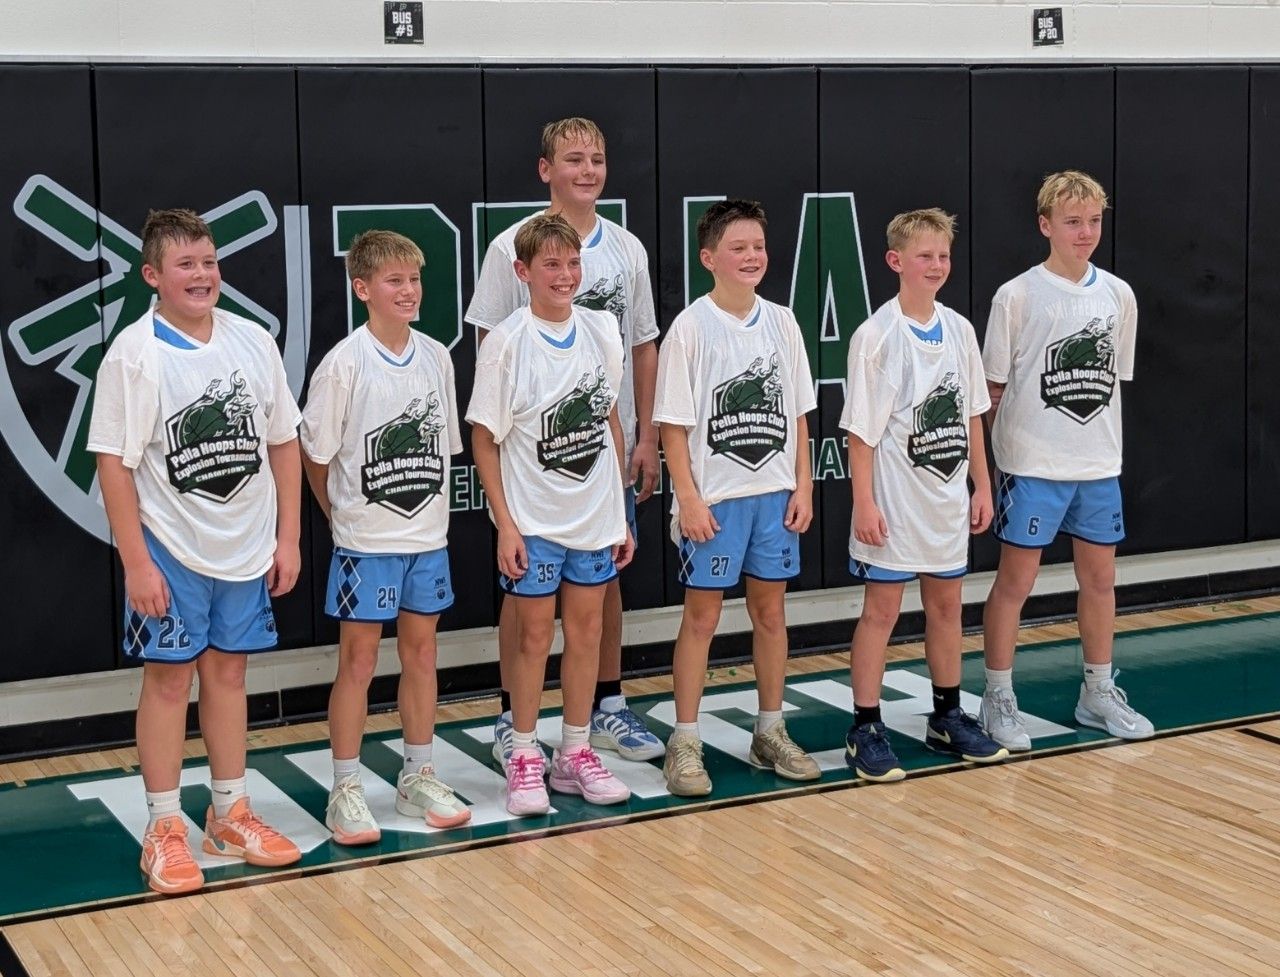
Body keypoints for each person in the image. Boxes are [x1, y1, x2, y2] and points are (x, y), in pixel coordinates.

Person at [89, 208, 303, 894]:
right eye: (185, 265)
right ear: (153, 275)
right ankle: (162, 824)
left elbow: (283, 442)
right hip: (172, 548)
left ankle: (229, 809)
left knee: (231, 675)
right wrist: (136, 561)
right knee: (169, 679)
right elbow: (113, 463)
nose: (202, 275)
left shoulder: (251, 341)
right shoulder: (134, 351)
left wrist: (289, 534)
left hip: (244, 544)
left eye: (209, 262)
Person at [466, 117, 664, 767]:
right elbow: (489, 346)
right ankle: (510, 716)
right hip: (531, 455)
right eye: (573, 159)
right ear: (546, 169)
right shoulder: (507, 249)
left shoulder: (627, 250)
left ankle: (603, 709)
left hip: (603, 446)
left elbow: (642, 344)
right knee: (524, 592)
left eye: (598, 159)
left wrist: (645, 436)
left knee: (601, 582)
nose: (587, 170)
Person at [301, 230, 470, 845]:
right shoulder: (344, 363)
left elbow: (444, 450)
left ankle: (418, 773)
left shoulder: (435, 356)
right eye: (394, 281)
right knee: (360, 661)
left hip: (427, 538)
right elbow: (314, 455)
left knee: (423, 654)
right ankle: (345, 786)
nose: (408, 291)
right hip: (365, 544)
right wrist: (339, 516)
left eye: (414, 280)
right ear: (362, 288)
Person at [467, 213, 635, 816]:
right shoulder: (508, 342)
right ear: (523, 271)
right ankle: (524, 754)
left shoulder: (602, 330)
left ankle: (576, 752)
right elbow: (484, 437)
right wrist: (505, 523)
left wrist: (617, 511)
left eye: (572, 264)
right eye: (551, 265)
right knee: (535, 637)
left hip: (593, 517)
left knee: (587, 633)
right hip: (535, 521)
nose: (565, 275)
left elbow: (609, 418)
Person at [979, 170, 1153, 750]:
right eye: (1073, 221)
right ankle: (998, 698)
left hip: (1098, 464)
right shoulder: (1018, 295)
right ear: (1045, 225)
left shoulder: (1118, 294)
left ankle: (1097, 692)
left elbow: (1111, 379)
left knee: (1100, 579)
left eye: (1094, 221)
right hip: (1032, 464)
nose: (1085, 232)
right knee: (1016, 582)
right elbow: (993, 389)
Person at [653, 199, 819, 797]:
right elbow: (672, 425)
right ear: (708, 258)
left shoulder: (783, 321)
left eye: (758, 247)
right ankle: (687, 738)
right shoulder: (692, 328)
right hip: (717, 502)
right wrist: (689, 499)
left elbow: (800, 414)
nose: (752, 257)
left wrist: (802, 483)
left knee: (771, 615)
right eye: (738, 248)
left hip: (773, 495)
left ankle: (770, 728)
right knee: (701, 618)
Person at [841, 208, 1007, 782]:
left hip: (944, 501)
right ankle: (865, 725)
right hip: (893, 503)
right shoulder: (876, 336)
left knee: (945, 608)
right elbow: (859, 434)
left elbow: (973, 417)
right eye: (924, 256)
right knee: (881, 613)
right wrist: (864, 503)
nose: (936, 265)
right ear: (896, 262)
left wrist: (982, 484)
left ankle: (946, 716)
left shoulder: (960, 329)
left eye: (943, 255)